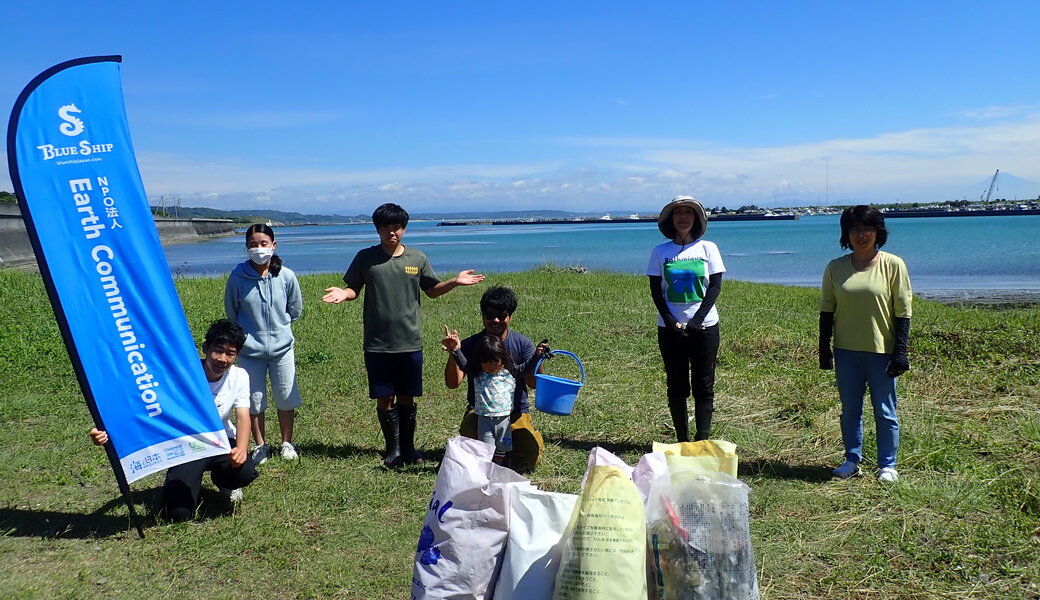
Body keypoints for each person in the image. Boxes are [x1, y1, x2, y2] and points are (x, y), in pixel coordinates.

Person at [322, 203, 484, 467]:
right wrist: (344, 293)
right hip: (378, 343)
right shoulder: (365, 258)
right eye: (385, 228)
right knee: (385, 397)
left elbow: (432, 290)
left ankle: (409, 448)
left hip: (409, 341)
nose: (391, 233)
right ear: (377, 229)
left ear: (404, 229)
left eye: (396, 227)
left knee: (407, 396)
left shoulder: (416, 259)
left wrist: (455, 281)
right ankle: (392, 449)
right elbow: (353, 289)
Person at [90, 319, 260, 521]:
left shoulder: (239, 376)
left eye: (230, 353)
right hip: (187, 445)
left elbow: (242, 417)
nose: (222, 359)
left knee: (244, 471)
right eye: (218, 350)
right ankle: (182, 487)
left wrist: (241, 449)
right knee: (177, 515)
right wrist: (107, 431)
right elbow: (141, 407)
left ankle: (225, 482)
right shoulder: (182, 374)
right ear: (205, 348)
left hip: (221, 441)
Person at [820, 205, 912, 483]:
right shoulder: (835, 267)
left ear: (878, 232)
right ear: (846, 234)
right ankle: (852, 460)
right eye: (855, 229)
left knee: (885, 411)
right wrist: (824, 347)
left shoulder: (893, 265)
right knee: (850, 410)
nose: (861, 235)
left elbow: (903, 311)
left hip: (881, 351)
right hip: (846, 350)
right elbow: (827, 309)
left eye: (867, 229)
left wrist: (900, 352)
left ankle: (888, 465)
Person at [442, 285, 549, 471]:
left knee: (529, 458)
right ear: (482, 316)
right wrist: (454, 352)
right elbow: (453, 383)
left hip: (515, 412)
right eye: (490, 315)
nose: (496, 320)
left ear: (510, 316)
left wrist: (538, 357)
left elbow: (533, 383)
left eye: (501, 315)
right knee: (472, 439)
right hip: (481, 412)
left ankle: (513, 447)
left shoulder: (523, 344)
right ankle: (488, 456)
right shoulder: (470, 344)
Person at [647, 195, 726, 443]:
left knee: (704, 385)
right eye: (678, 213)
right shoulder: (660, 252)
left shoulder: (708, 248)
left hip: (705, 327)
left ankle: (702, 439)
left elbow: (714, 287)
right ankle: (682, 439)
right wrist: (670, 320)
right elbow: (656, 291)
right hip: (670, 329)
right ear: (671, 219)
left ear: (696, 218)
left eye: (688, 212)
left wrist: (697, 320)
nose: (683, 217)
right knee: (677, 385)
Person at [225, 224, 304, 464]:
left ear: (273, 245)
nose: (258, 249)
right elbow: (232, 313)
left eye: (263, 244)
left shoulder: (286, 276)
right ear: (246, 247)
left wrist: (280, 328)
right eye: (253, 244)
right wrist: (248, 338)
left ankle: (287, 442)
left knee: (286, 396)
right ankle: (260, 445)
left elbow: (295, 309)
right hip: (250, 351)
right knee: (253, 399)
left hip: (282, 349)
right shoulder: (237, 278)